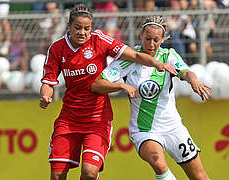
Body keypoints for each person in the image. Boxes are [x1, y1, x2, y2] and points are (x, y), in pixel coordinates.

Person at [38, 4, 177, 180]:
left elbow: (133, 55)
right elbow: (48, 82)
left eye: (86, 28)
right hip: (69, 119)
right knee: (57, 176)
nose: (82, 32)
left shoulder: (99, 40)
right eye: (77, 28)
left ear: (92, 27)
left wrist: (156, 63)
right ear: (68, 26)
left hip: (97, 119)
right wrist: (45, 95)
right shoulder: (57, 48)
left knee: (89, 172)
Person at [92, 16, 211, 180]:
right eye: (148, 39)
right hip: (144, 129)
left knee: (199, 176)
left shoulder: (168, 56)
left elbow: (185, 72)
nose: (151, 44)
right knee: (158, 161)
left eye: (156, 40)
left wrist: (193, 80)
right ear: (141, 35)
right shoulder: (129, 58)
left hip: (173, 126)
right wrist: (122, 86)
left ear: (163, 39)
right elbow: (97, 84)